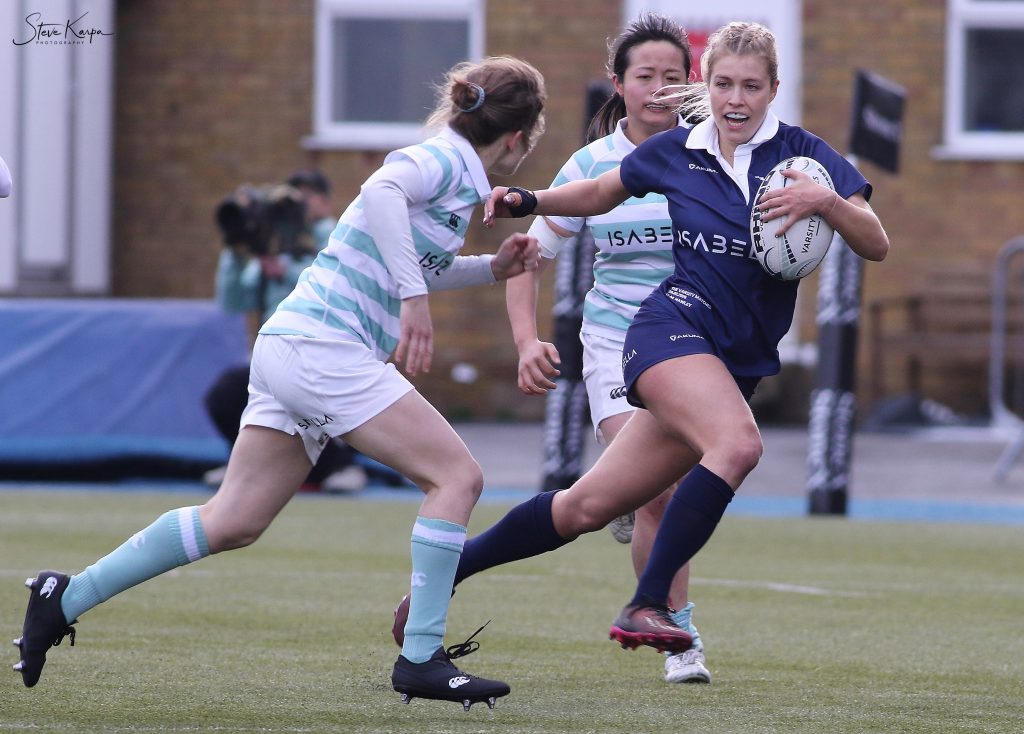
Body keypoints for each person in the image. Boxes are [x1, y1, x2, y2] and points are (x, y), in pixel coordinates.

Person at [12, 55, 547, 710]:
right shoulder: (445, 160)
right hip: (324, 348)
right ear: (521, 136)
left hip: (294, 344)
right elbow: (379, 192)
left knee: (233, 520)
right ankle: (421, 658)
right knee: (457, 477)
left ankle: (63, 597)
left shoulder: (454, 176)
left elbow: (407, 257)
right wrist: (413, 300)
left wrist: (490, 269)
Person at [399, 21, 889, 657]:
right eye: (723, 84)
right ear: (706, 87)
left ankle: (450, 570)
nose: (735, 99)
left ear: (773, 89)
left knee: (583, 508)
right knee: (737, 444)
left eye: (750, 86)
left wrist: (828, 203)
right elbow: (601, 191)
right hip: (666, 333)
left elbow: (875, 242)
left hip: (736, 357)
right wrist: (528, 198)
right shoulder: (677, 149)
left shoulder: (803, 156)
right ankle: (650, 605)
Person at [504, 13, 711, 684]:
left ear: (691, 85)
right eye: (644, 76)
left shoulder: (714, 156)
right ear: (617, 84)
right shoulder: (591, 166)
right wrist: (526, 339)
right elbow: (528, 254)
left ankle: (621, 492)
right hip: (617, 342)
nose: (658, 89)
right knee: (663, 492)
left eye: (672, 77)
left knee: (666, 490)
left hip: (694, 346)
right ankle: (680, 638)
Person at [203, 168, 369, 493]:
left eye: (308, 196)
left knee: (310, 398)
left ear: (326, 202)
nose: (299, 205)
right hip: (275, 355)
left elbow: (335, 281)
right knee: (225, 395)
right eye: (294, 196)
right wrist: (237, 249)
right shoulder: (276, 245)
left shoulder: (333, 234)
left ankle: (342, 465)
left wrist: (286, 267)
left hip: (326, 350)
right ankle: (246, 464)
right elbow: (232, 301)